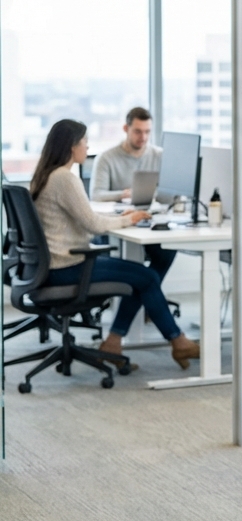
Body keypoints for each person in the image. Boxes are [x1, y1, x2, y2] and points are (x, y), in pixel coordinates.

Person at [29, 119, 199, 370]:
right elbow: (94, 225)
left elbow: (86, 217)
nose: (87, 147)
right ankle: (178, 341)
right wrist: (129, 219)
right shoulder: (65, 178)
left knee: (143, 277)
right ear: (72, 146)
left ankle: (114, 342)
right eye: (85, 142)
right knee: (148, 277)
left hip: (52, 266)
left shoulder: (46, 175)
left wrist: (120, 218)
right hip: (69, 267)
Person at [89, 106, 178, 282]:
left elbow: (171, 196)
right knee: (136, 271)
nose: (143, 137)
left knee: (168, 250)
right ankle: (146, 293)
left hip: (147, 223)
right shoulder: (106, 158)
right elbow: (96, 195)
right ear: (126, 129)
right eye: (138, 131)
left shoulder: (159, 156)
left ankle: (144, 295)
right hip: (115, 227)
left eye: (147, 132)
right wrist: (124, 194)